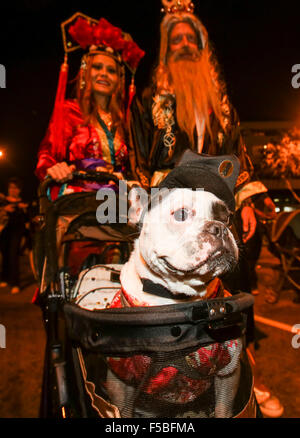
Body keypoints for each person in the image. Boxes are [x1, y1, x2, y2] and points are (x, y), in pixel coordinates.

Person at [128, 0, 283, 418]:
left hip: (219, 214)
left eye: (189, 39)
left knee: (234, 293)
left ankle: (247, 370)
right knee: (173, 299)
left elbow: (238, 156)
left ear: (202, 47)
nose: (182, 45)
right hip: (170, 215)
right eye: (175, 39)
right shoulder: (148, 102)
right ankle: (169, 380)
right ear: (166, 49)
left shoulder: (223, 104)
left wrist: (247, 199)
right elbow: (138, 164)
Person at [36, 14, 145, 194]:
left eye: (111, 71)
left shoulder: (125, 121)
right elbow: (47, 155)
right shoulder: (69, 110)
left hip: (118, 200)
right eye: (97, 67)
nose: (103, 74)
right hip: (80, 197)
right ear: (86, 72)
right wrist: (54, 169)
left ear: (119, 80)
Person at [0, 177, 29, 294]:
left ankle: (15, 283)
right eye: (11, 188)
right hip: (4, 230)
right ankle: (4, 278)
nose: (13, 190)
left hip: (17, 231)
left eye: (15, 188)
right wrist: (4, 209)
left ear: (19, 190)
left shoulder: (23, 202)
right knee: (5, 254)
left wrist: (24, 210)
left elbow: (27, 219)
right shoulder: (3, 201)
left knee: (13, 255)